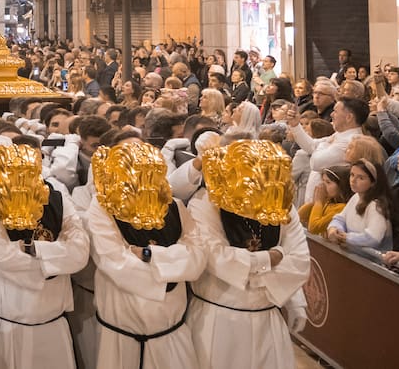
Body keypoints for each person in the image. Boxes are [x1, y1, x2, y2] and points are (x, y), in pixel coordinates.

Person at [85, 131, 206, 369]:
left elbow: (198, 259)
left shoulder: (175, 206)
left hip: (171, 333)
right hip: (121, 334)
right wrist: (174, 264)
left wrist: (149, 255)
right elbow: (116, 265)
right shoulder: (102, 207)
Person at [188, 140, 310, 369]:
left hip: (268, 318)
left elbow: (300, 261)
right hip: (219, 319)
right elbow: (216, 259)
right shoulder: (205, 202)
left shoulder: (280, 203)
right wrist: (270, 258)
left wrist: (293, 299)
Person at [0, 140, 86, 369]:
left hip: (52, 325)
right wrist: (55, 258)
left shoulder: (59, 199)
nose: (27, 170)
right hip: (4, 324)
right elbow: (4, 259)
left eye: (33, 162)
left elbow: (80, 254)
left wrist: (32, 249)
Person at [326, 158, 393, 251]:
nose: (353, 180)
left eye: (361, 178)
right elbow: (340, 219)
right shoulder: (356, 197)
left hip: (370, 262)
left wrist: (346, 237)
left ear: (373, 182)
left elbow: (373, 238)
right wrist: (334, 229)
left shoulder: (376, 206)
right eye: (352, 175)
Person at [297, 165, 352, 236]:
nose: (322, 185)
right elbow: (299, 217)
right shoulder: (327, 203)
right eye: (323, 181)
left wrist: (318, 202)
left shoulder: (342, 208)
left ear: (342, 186)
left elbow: (313, 228)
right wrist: (314, 202)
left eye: (328, 182)